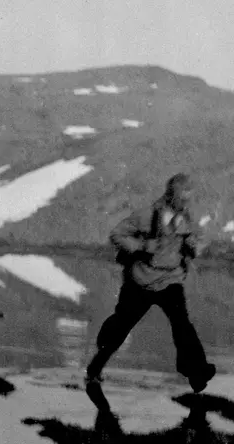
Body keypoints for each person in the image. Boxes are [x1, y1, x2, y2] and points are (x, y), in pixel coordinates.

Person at [84, 173, 216, 411]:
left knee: (182, 325)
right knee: (122, 326)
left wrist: (194, 247)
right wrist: (143, 246)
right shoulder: (146, 216)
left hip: (171, 281)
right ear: (170, 195)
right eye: (182, 197)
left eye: (189, 198)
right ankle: (95, 368)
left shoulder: (186, 218)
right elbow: (117, 234)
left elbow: (200, 238)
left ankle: (197, 375)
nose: (186, 202)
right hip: (140, 282)